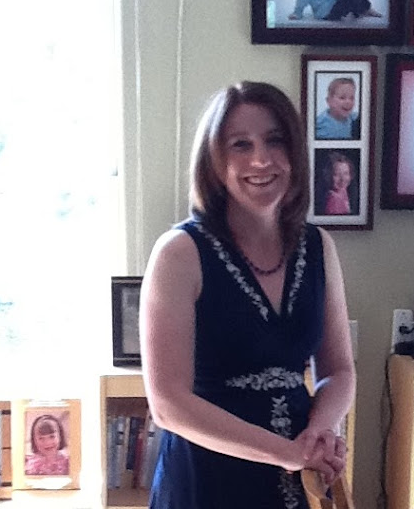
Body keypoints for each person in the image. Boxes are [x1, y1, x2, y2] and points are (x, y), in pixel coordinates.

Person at [139, 81, 356, 509]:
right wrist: (284, 453)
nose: (261, 159)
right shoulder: (179, 253)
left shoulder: (319, 247)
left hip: (297, 477)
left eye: (275, 141)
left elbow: (339, 370)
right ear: (214, 160)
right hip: (206, 479)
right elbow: (168, 405)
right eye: (241, 145)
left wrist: (320, 431)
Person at [320, 151, 355, 215]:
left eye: (346, 173)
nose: (342, 179)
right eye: (337, 174)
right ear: (328, 176)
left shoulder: (343, 191)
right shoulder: (333, 199)